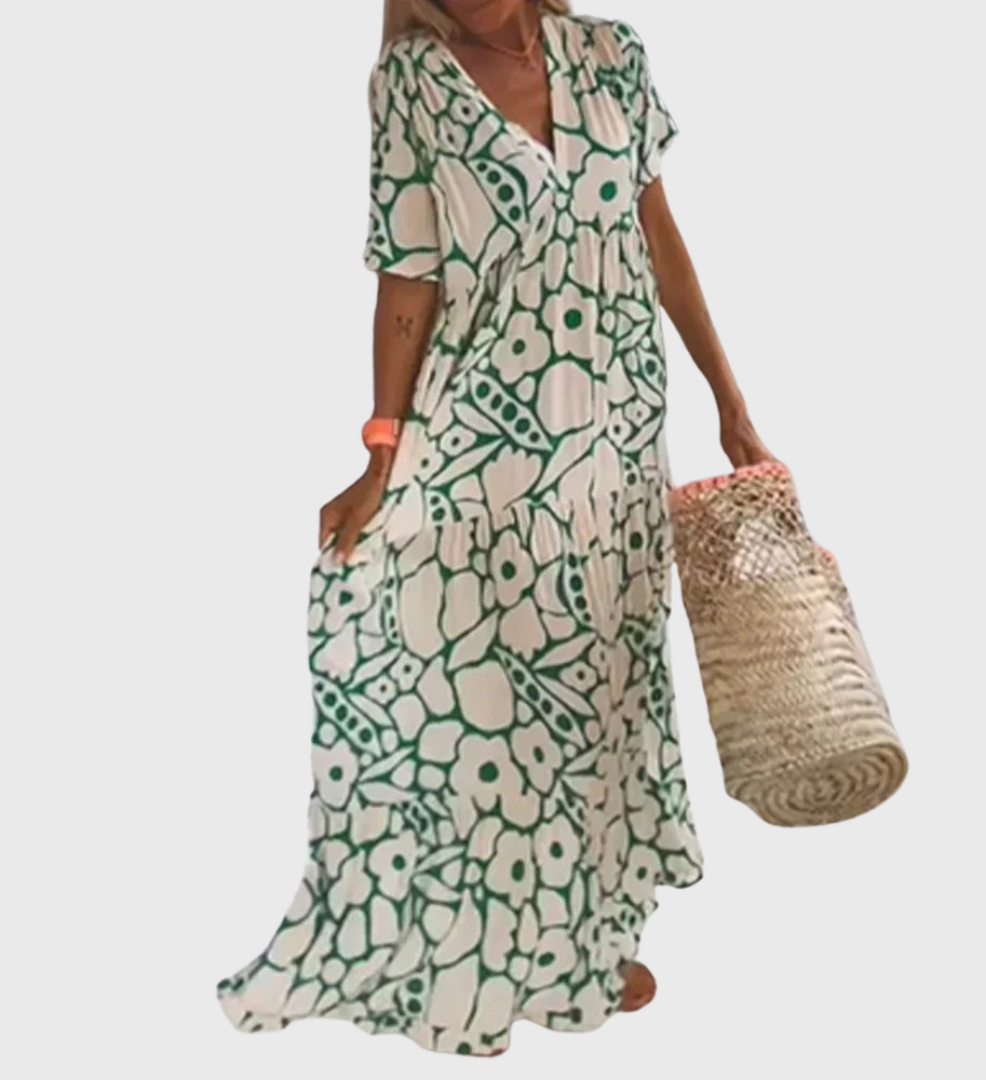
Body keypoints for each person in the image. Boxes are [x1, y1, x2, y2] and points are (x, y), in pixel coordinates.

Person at [217, 0, 774, 1057]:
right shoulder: (412, 84)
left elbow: (658, 238)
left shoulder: (610, 57)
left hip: (614, 430)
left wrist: (729, 400)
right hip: (489, 428)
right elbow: (408, 273)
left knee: (602, 682)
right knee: (488, 686)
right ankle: (482, 939)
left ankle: (587, 936)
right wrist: (382, 449)